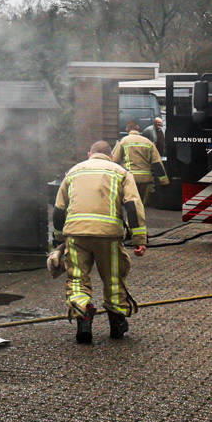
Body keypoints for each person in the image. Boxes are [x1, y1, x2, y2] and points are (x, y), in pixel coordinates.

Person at [53, 140, 148, 344]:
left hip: (76, 235)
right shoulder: (121, 172)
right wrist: (139, 238)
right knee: (114, 278)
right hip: (109, 237)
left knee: (77, 279)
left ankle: (83, 314)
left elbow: (59, 209)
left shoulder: (73, 172)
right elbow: (133, 206)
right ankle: (116, 324)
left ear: (90, 154)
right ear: (111, 156)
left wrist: (58, 238)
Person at [111, 119, 170, 206]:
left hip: (130, 177)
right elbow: (157, 163)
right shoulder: (148, 142)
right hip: (145, 180)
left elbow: (115, 160)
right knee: (141, 204)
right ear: (138, 128)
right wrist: (164, 181)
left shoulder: (124, 141)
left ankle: (131, 218)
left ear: (127, 129)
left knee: (130, 203)